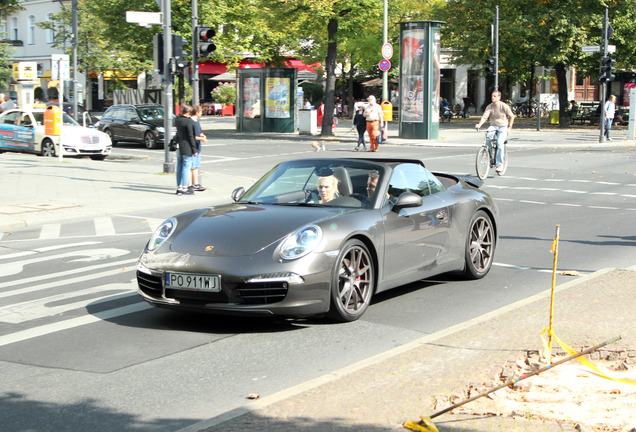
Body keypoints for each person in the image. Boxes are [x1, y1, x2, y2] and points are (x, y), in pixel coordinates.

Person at [475, 90, 515, 173]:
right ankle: (489, 153)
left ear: (499, 97)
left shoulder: (504, 106)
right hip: (493, 126)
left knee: (500, 143)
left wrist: (509, 128)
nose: (492, 97)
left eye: (494, 96)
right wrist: (479, 124)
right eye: (492, 96)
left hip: (503, 126)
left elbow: (512, 116)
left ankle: (500, 164)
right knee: (488, 137)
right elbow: (485, 117)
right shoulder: (489, 107)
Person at [174, 105, 198, 196]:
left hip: (179, 145)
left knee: (179, 166)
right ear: (188, 112)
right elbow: (191, 136)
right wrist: (194, 149)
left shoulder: (178, 120)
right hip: (187, 146)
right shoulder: (188, 122)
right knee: (186, 167)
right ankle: (185, 188)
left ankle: (179, 187)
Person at [189, 105, 207, 192]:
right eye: (200, 112)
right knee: (192, 166)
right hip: (193, 147)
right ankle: (192, 184)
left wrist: (202, 135)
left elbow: (198, 132)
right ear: (197, 112)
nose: (202, 113)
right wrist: (201, 139)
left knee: (195, 166)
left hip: (197, 146)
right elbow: (192, 136)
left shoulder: (196, 121)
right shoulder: (191, 122)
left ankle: (196, 183)